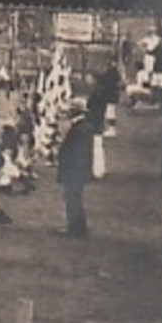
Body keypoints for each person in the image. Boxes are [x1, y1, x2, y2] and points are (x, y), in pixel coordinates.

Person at [57, 99, 96, 237]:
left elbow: (77, 152)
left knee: (72, 198)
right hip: (78, 169)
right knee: (74, 198)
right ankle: (78, 226)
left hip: (74, 170)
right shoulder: (85, 127)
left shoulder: (79, 129)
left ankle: (75, 228)